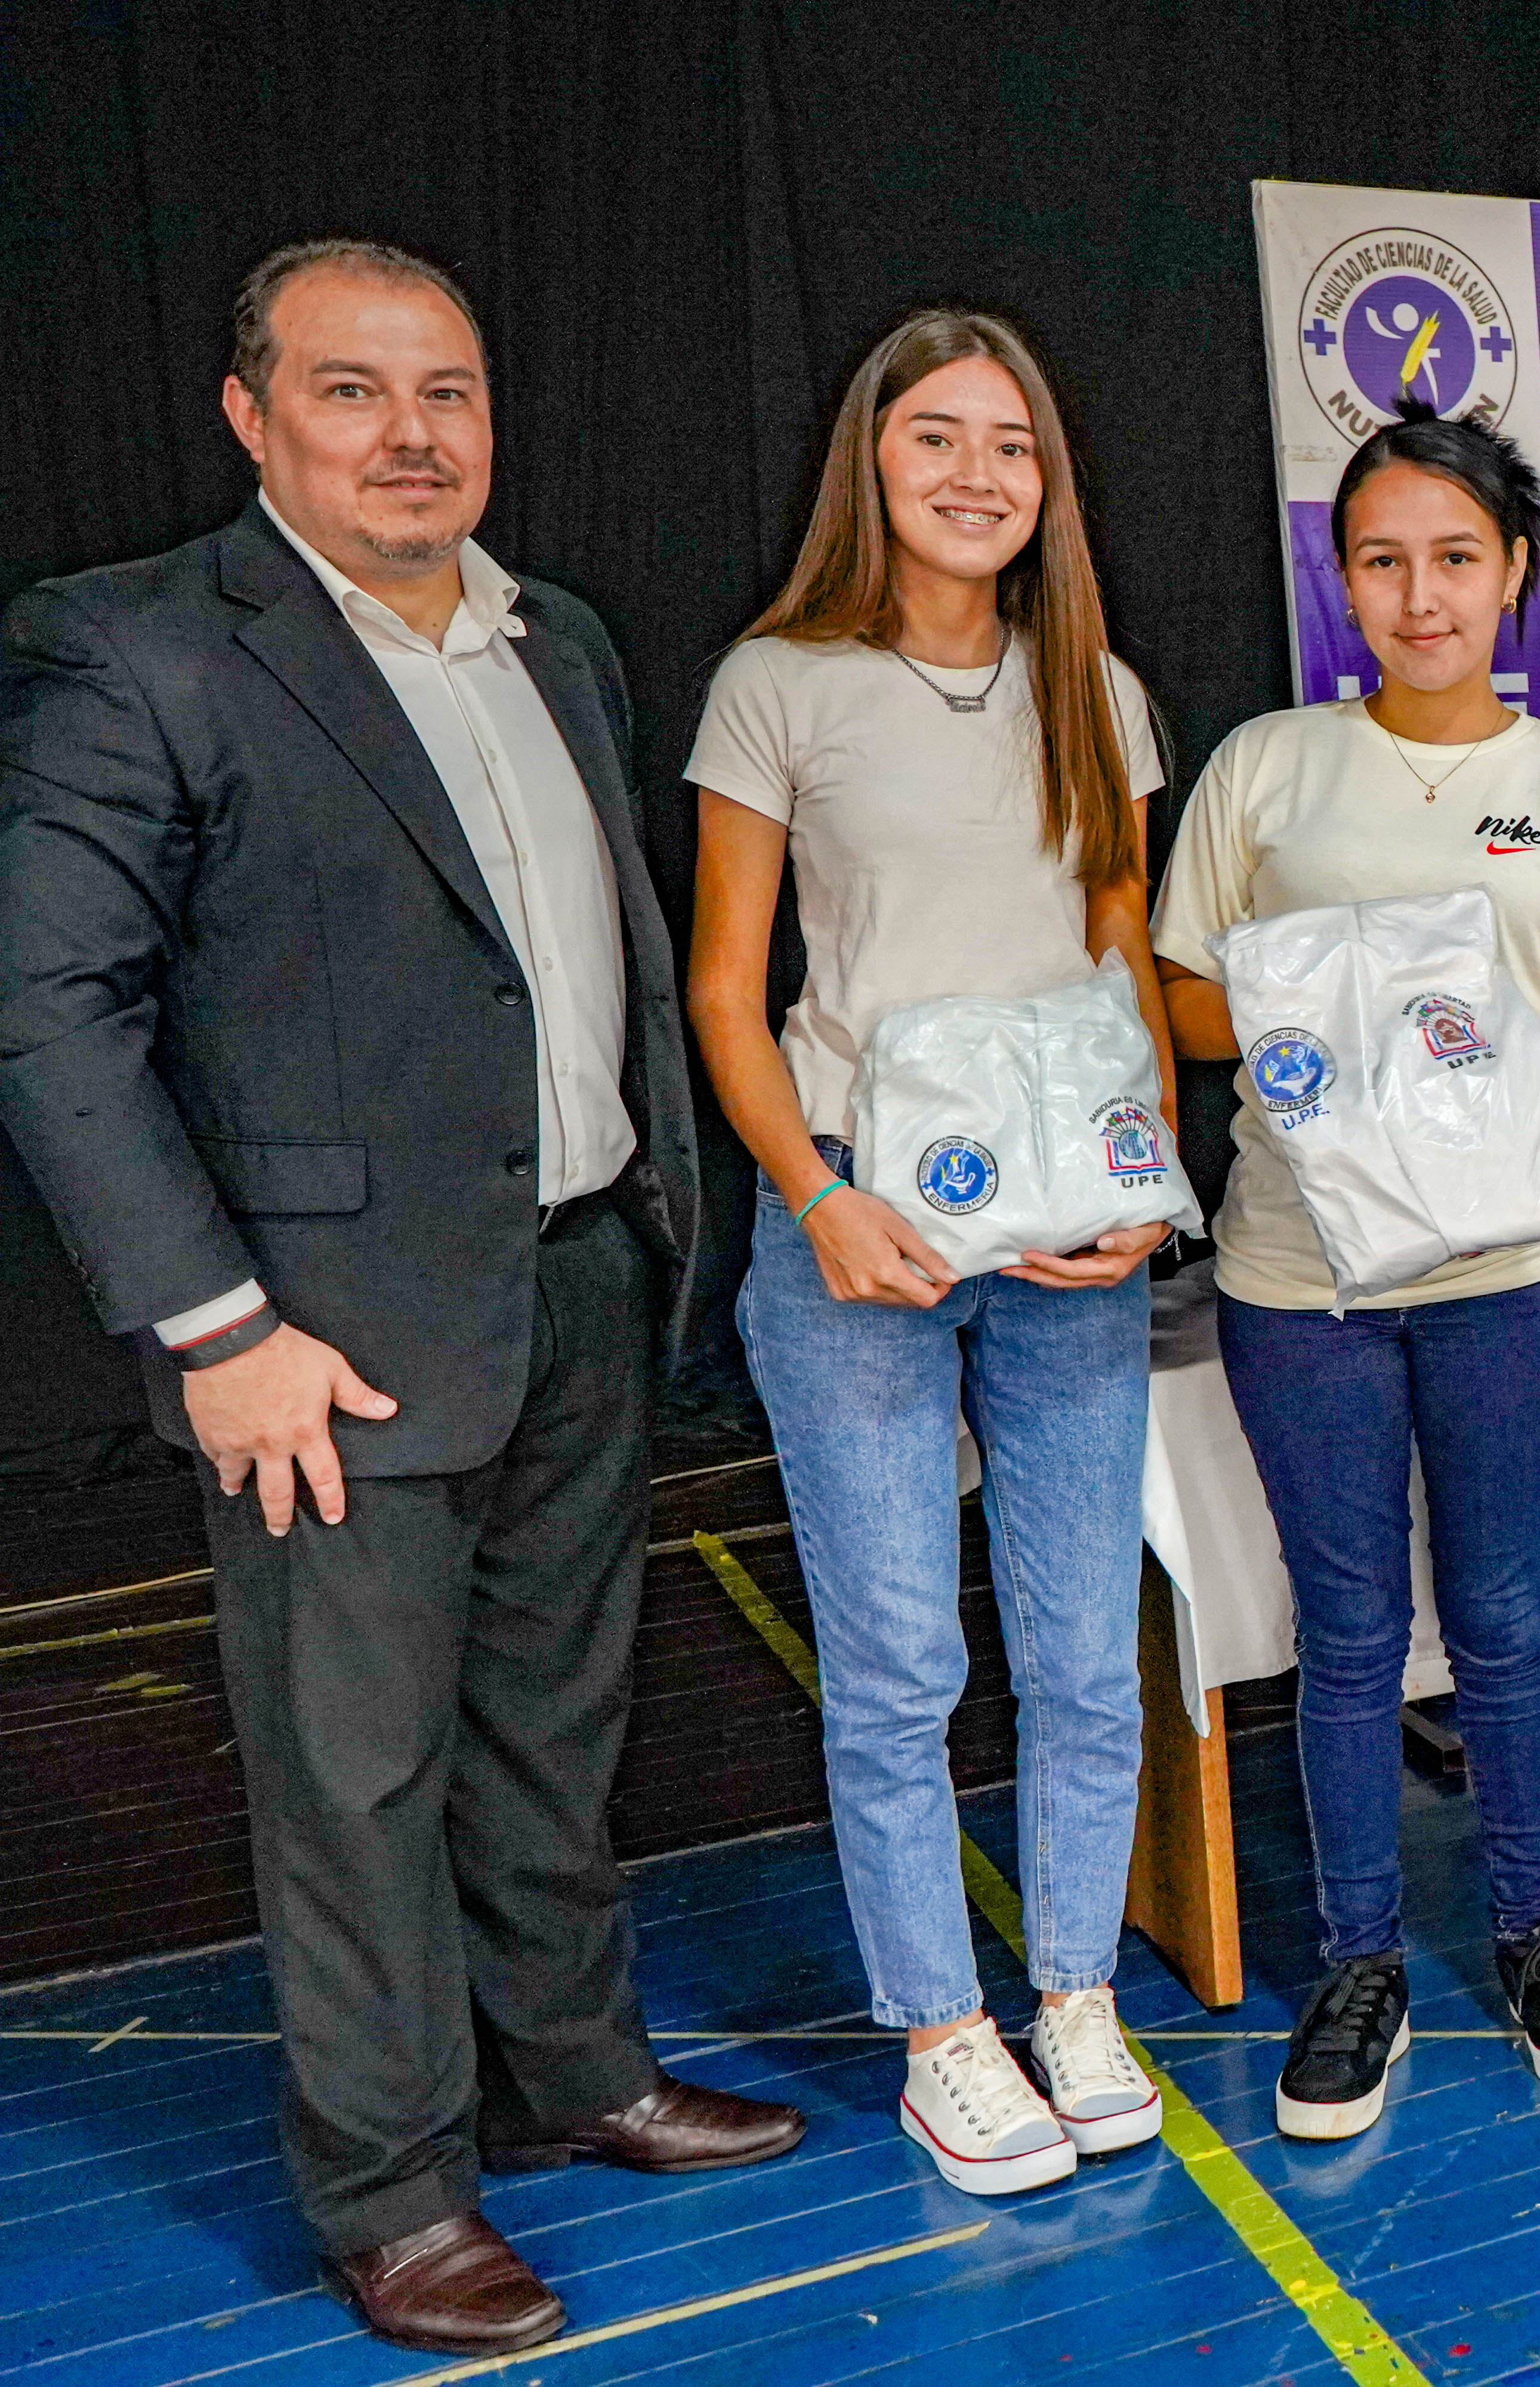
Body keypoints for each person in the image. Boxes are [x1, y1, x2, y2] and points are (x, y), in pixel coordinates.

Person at [0, 239, 800, 2357]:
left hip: (579, 1284)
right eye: (352, 392)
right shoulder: (144, 649)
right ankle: (393, 2192)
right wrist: (213, 1330)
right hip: (322, 1349)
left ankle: (579, 2076)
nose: (412, 433)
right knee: (352, 1780)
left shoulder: (567, 645)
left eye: (446, 391)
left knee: (554, 1736)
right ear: (253, 416)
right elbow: (45, 1014)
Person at [686, 308, 1172, 2197]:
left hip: (1073, 1248)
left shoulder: (1100, 691)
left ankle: (1070, 1998)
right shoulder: (780, 681)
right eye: (935, 440)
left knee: (1080, 1661)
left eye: (1012, 446)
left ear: (1050, 480)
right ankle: (941, 2036)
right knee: (896, 1666)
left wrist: (1149, 1180)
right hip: (863, 1239)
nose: (978, 476)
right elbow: (730, 995)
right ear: (870, 467)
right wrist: (821, 1199)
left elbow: (1118, 951)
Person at [1154, 403, 1540, 2141]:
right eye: (1382, 560)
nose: (1420, 596)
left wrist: (1425, 1065)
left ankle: (1538, 1929)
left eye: (1456, 558)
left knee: (1507, 1625)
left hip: (1511, 1264)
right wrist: (1365, 1001)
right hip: (1304, 1273)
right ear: (1341, 578)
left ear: (1514, 573)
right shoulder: (1267, 769)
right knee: (1351, 1636)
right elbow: (1190, 1002)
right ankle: (1357, 1957)